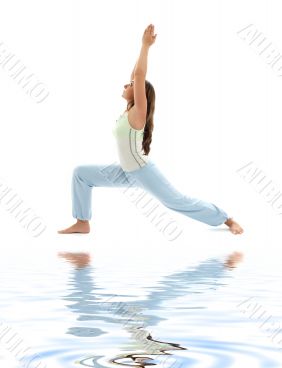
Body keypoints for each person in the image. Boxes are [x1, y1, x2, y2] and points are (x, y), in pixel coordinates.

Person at [58, 24, 244, 235]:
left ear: (140, 94)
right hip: (126, 173)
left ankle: (227, 219)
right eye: (128, 85)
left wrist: (145, 46)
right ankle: (82, 222)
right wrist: (141, 51)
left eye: (129, 86)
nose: (125, 86)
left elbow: (138, 75)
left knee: (177, 201)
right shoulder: (128, 111)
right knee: (81, 174)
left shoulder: (139, 112)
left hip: (142, 172)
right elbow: (135, 75)